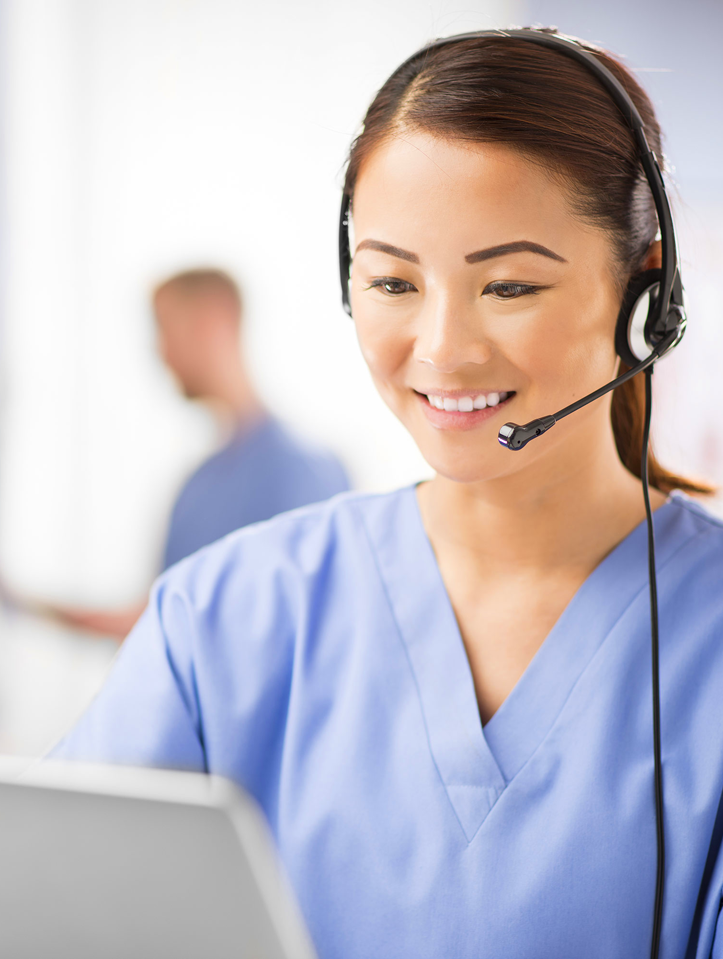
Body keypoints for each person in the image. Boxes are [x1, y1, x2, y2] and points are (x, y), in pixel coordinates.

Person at [51, 30, 723, 958]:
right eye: (393, 281)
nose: (442, 349)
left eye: (510, 284)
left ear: (645, 298)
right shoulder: (220, 619)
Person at [56, 268, 350, 639]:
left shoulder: (304, 473)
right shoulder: (197, 486)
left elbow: (312, 630)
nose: (159, 350)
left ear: (213, 321)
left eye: (164, 327)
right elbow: (163, 624)